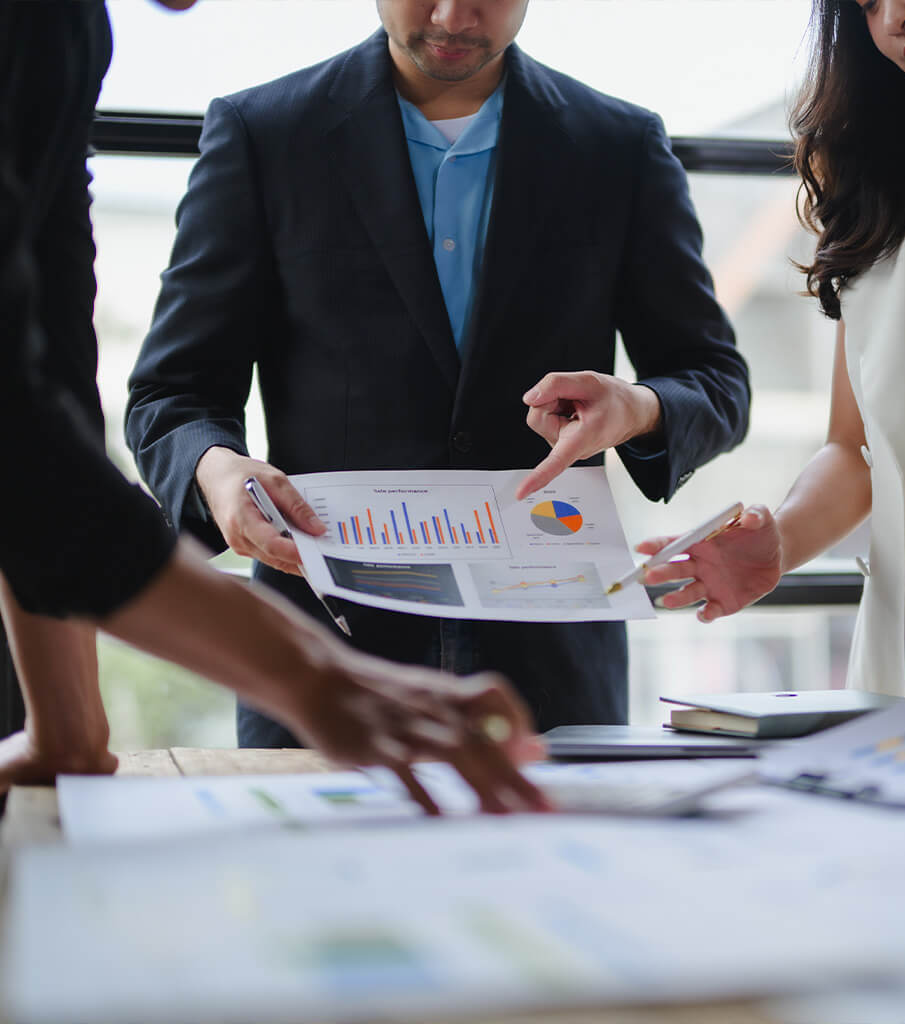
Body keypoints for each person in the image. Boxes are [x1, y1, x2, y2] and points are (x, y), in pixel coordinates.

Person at [125, 0, 750, 743]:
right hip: (322, 657)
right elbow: (172, 395)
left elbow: (714, 380)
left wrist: (639, 407)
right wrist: (215, 469)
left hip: (553, 665)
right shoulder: (264, 134)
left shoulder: (619, 145)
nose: (453, 16)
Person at [0, 0, 549, 814]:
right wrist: (310, 675)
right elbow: (23, 428)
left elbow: (44, 369)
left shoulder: (64, 27)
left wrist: (67, 724)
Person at [641, 0, 905, 697]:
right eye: (869, 4)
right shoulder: (887, 177)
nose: (895, 17)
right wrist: (779, 542)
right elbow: (854, 448)